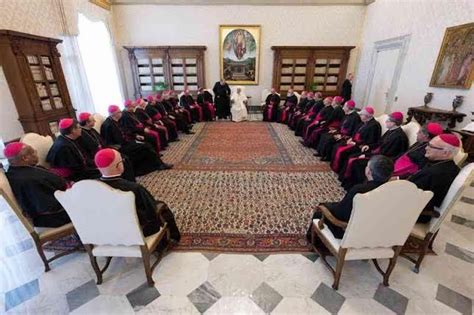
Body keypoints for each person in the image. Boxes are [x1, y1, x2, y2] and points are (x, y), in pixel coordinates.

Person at [95, 148, 180, 241]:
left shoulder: (90, 187)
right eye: (122, 161)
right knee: (161, 206)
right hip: (133, 232)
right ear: (118, 166)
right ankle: (172, 238)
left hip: (105, 232)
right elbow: (151, 210)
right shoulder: (133, 188)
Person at [306, 155, 394, 240]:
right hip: (376, 230)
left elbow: (341, 213)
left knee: (321, 210)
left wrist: (326, 206)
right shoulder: (393, 190)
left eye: (367, 166)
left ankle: (314, 241)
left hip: (351, 231)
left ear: (368, 172)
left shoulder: (359, 190)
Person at [4, 142, 70, 227]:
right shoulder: (28, 180)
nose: (36, 152)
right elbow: (48, 206)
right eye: (32, 152)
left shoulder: (16, 170)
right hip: (53, 217)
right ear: (25, 158)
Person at [339, 111, 409, 190]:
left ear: (393, 123)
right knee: (352, 156)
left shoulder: (399, 137)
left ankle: (355, 187)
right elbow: (379, 143)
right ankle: (347, 183)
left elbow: (386, 153)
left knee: (356, 162)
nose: (386, 122)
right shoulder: (390, 131)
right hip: (377, 153)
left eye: (388, 121)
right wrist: (368, 146)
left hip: (382, 160)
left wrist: (367, 155)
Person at [101, 105, 172, 176]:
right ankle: (159, 165)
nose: (121, 113)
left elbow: (126, 131)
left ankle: (155, 165)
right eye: (119, 112)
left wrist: (136, 136)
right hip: (121, 147)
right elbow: (109, 142)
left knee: (146, 144)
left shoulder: (117, 120)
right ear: (114, 114)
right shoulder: (108, 125)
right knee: (146, 146)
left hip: (127, 142)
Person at [409, 133, 461, 223]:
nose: (426, 148)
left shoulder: (434, 173)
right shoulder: (451, 166)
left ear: (445, 153)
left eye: (431, 146)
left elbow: (409, 193)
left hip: (417, 213)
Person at [77, 112, 135, 182]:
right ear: (87, 123)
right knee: (123, 160)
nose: (95, 121)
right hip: (97, 157)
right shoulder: (81, 136)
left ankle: (129, 181)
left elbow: (102, 142)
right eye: (93, 120)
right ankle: (124, 182)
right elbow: (87, 152)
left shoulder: (92, 130)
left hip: (104, 151)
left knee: (125, 158)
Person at [330, 107, 381, 173]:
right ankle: (336, 167)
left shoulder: (374, 125)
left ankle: (340, 170)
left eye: (361, 115)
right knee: (337, 146)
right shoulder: (363, 122)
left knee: (344, 152)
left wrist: (356, 144)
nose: (360, 116)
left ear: (367, 116)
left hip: (361, 146)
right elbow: (355, 132)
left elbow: (371, 141)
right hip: (354, 141)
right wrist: (351, 139)